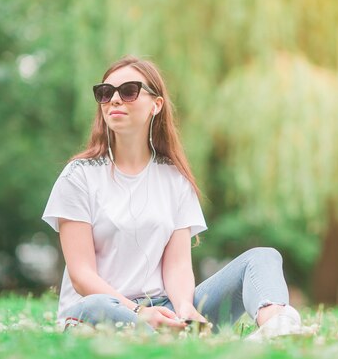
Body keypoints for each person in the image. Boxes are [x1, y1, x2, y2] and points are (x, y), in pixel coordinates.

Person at [42, 55, 303, 339]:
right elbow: (81, 276)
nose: (114, 100)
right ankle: (160, 337)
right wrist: (140, 313)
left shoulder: (175, 179)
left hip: (164, 310)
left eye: (128, 91)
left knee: (263, 257)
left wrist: (184, 308)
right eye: (105, 93)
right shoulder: (79, 176)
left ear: (156, 104)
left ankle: (275, 327)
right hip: (102, 311)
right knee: (95, 305)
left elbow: (177, 265)